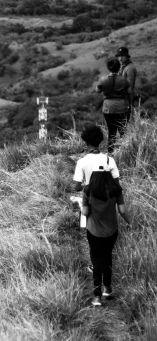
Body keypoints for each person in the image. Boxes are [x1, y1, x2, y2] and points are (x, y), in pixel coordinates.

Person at [80, 167, 131, 306]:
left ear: (93, 177)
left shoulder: (88, 191)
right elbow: (122, 210)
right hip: (111, 231)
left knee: (97, 262)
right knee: (107, 257)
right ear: (108, 176)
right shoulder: (116, 190)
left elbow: (84, 212)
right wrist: (129, 222)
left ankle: (97, 297)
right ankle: (107, 289)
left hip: (94, 231)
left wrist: (82, 205)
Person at [96, 57, 130, 154]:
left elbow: (98, 90)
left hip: (108, 107)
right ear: (119, 68)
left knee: (112, 131)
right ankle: (125, 151)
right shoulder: (124, 80)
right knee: (123, 130)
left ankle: (110, 152)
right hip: (122, 107)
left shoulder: (103, 79)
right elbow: (129, 91)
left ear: (108, 68)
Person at [72, 124, 120, 191]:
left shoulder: (81, 162)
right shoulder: (110, 160)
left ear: (86, 142)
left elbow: (77, 188)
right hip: (108, 199)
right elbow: (117, 185)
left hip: (90, 199)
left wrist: (89, 186)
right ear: (100, 140)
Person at [116, 46, 137, 118]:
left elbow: (130, 85)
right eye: (119, 56)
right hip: (121, 97)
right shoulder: (122, 66)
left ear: (127, 56)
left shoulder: (130, 68)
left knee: (126, 119)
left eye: (122, 56)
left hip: (127, 98)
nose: (120, 58)